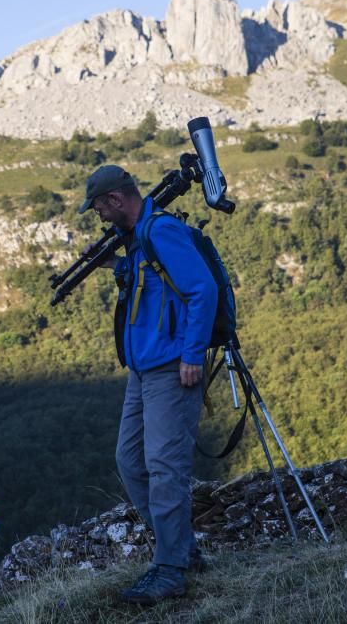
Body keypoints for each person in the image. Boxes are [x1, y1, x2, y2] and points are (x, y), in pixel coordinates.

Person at [79, 164, 217, 604]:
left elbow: (202, 289)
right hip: (143, 372)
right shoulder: (139, 241)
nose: (99, 215)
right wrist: (113, 264)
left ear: (116, 200)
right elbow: (149, 284)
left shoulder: (161, 231)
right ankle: (181, 549)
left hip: (172, 368)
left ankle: (170, 569)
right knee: (130, 460)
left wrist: (193, 354)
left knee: (164, 466)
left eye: (99, 206)